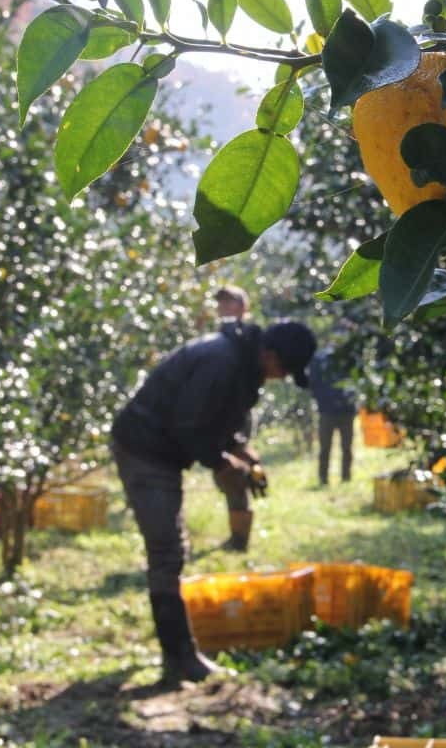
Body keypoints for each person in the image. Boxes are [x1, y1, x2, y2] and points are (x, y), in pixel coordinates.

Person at [110, 318, 316, 684]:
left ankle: (181, 656)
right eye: (284, 369)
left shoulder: (239, 362)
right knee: (167, 552)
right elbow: (190, 425)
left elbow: (217, 417)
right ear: (269, 354)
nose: (282, 377)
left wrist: (243, 452)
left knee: (169, 553)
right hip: (144, 448)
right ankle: (179, 659)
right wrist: (224, 464)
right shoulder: (221, 361)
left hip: (161, 449)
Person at [211, 283, 253, 550]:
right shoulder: (221, 336)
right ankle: (237, 534)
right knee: (224, 475)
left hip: (236, 415)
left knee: (232, 474)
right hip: (220, 414)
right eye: (221, 303)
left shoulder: (247, 337)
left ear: (242, 306)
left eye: (230, 302)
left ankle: (239, 539)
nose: (224, 307)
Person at [308, 347, 356, 487]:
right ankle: (324, 479)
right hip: (328, 411)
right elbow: (314, 383)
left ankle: (345, 477)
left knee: (345, 448)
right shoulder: (320, 359)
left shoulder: (348, 358)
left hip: (345, 410)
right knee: (325, 448)